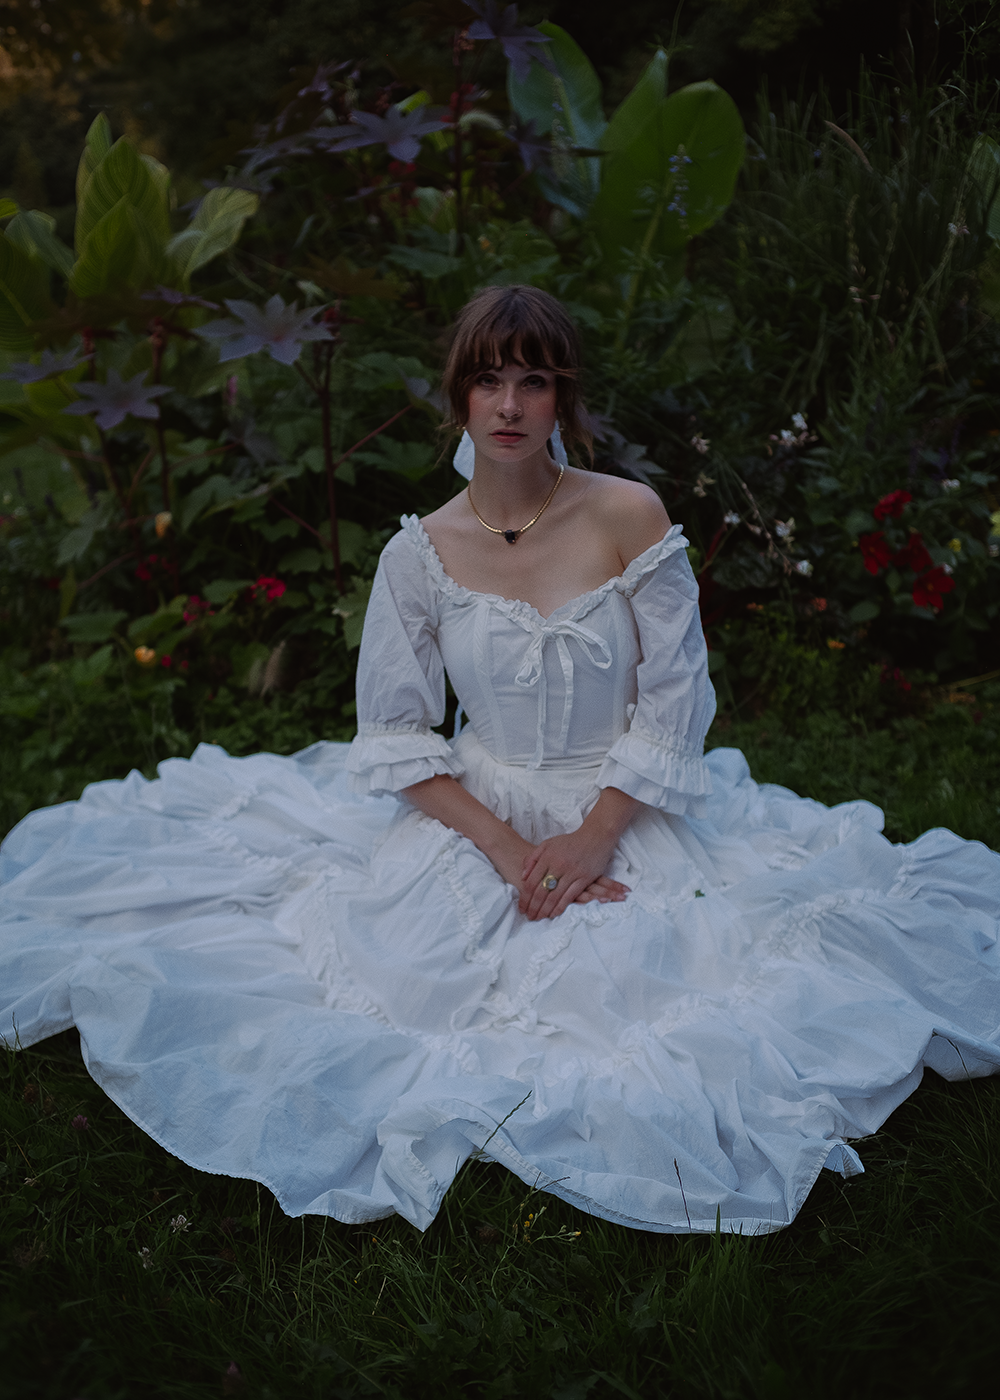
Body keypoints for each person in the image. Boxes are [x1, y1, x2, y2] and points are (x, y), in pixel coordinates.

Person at [1, 285, 998, 1237]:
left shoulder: (626, 516)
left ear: (564, 396)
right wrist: (505, 848)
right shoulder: (420, 553)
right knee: (422, 980)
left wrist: (598, 835)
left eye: (534, 380)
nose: (510, 404)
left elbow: (676, 696)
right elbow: (395, 738)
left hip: (625, 799)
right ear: (459, 397)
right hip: (479, 806)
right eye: (489, 380)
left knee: (666, 972)